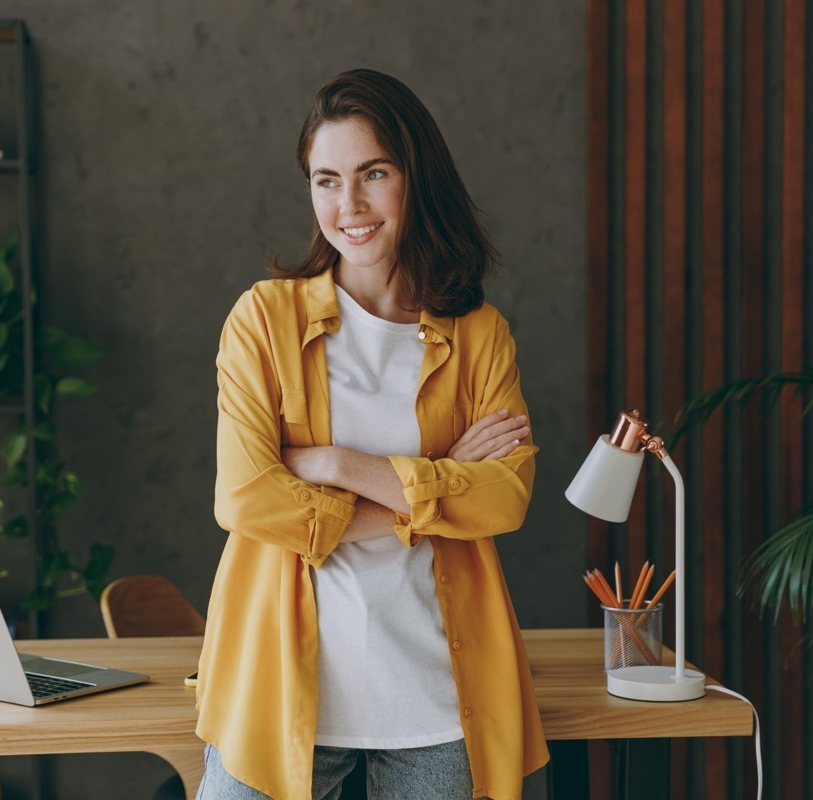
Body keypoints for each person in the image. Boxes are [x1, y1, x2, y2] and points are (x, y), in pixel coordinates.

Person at [196, 68, 548, 800]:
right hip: (276, 693)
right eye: (326, 180)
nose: (348, 205)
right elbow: (246, 500)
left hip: (436, 700)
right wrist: (437, 482)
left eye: (373, 174)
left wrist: (333, 462)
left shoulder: (479, 335)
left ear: (417, 178)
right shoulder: (264, 320)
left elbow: (505, 498)